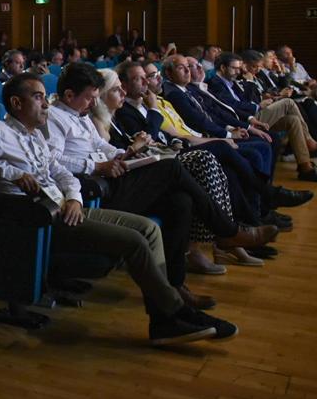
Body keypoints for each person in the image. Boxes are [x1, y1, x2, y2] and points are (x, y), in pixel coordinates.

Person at [0, 73, 237, 345]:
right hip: (36, 217)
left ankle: (164, 316)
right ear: (16, 103)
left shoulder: (35, 135)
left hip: (66, 207)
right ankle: (175, 314)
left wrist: (74, 197)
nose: (45, 103)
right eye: (38, 97)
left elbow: (61, 172)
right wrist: (9, 173)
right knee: (135, 242)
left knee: (148, 229)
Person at [45, 63, 273, 311]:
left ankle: (176, 285)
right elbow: (54, 160)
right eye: (90, 98)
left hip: (114, 177)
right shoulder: (54, 119)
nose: (93, 104)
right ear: (69, 96)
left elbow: (102, 145)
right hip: (95, 192)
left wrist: (126, 153)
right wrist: (96, 167)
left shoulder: (80, 117)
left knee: (180, 202)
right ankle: (226, 230)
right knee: (171, 168)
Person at [94, 67, 278, 274]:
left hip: (160, 155)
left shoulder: (117, 115)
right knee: (204, 159)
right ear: (100, 95)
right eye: (117, 90)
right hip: (129, 178)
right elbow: (119, 152)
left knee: (188, 193)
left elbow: (163, 136)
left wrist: (157, 142)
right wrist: (145, 129)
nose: (124, 93)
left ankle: (216, 245)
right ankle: (233, 229)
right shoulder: (111, 118)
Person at [210, 53, 317, 183]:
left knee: (292, 121)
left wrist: (254, 90)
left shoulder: (232, 81)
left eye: (239, 68)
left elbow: (247, 98)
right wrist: (257, 106)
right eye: (234, 68)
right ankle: (311, 143)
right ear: (222, 68)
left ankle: (305, 167)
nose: (238, 72)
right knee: (288, 103)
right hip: (242, 121)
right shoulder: (215, 83)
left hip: (251, 116)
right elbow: (231, 105)